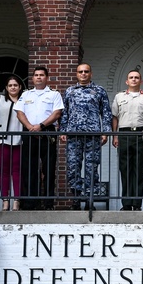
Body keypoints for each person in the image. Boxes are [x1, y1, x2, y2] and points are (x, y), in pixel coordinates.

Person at [60, 63, 111, 209]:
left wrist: (105, 132)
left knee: (92, 168)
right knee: (73, 167)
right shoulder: (70, 91)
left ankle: (90, 201)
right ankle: (76, 199)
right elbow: (65, 113)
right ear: (76, 74)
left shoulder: (99, 91)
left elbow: (106, 112)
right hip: (73, 135)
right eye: (80, 71)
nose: (83, 74)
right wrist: (63, 130)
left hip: (93, 134)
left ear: (91, 74)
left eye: (86, 71)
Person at [17, 66, 64, 210]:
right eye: (36, 75)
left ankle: (48, 203)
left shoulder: (54, 94)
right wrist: (31, 127)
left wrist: (41, 126)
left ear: (47, 78)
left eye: (42, 75)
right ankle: (31, 203)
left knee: (48, 170)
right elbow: (19, 112)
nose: (38, 77)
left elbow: (56, 114)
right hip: (29, 133)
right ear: (32, 78)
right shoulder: (26, 95)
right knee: (29, 169)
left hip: (47, 133)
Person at [111, 69, 143, 211]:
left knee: (139, 169)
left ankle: (136, 203)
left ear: (141, 81)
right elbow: (114, 117)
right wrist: (115, 135)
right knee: (125, 169)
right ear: (127, 81)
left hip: (141, 133)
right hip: (124, 133)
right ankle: (126, 203)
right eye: (131, 77)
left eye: (137, 77)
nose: (134, 79)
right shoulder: (119, 97)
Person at [0, 76, 24, 211]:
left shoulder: (24, 100)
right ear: (6, 88)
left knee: (17, 171)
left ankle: (17, 201)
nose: (13, 87)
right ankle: (5, 200)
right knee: (4, 171)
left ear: (20, 87)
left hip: (20, 141)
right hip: (3, 140)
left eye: (15, 85)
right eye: (10, 85)